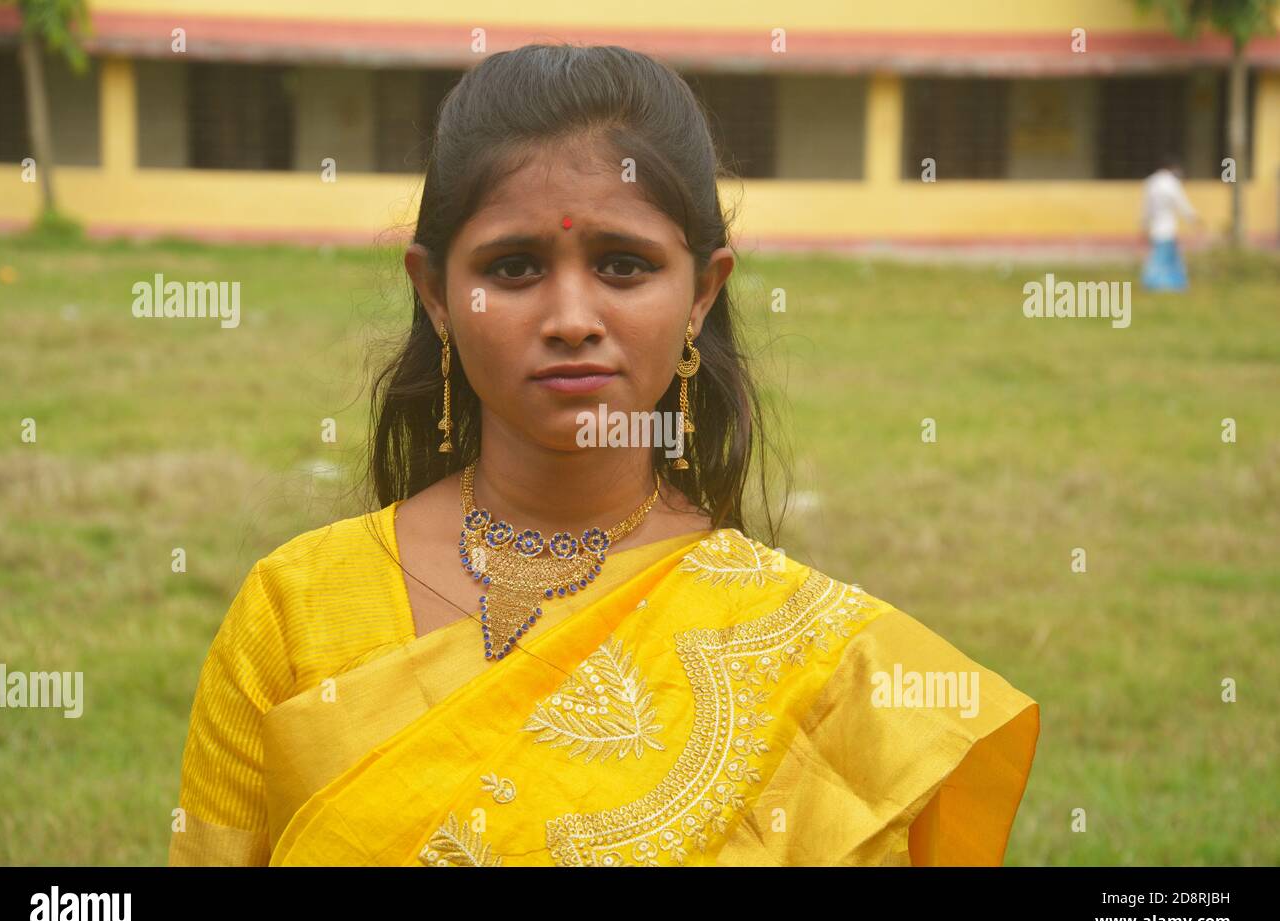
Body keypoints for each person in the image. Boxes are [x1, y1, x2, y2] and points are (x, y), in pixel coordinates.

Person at [168, 44, 1039, 867]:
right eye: (513, 268)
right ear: (436, 293)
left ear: (702, 293)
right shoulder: (293, 610)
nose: (572, 317)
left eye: (624, 266)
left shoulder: (822, 665)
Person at [1140, 154, 1199, 291]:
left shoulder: (1151, 183)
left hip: (1156, 227)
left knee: (1170, 257)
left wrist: (1143, 225)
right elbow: (1181, 203)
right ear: (1171, 168)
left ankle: (1177, 284)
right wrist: (1193, 218)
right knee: (1161, 258)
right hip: (1167, 227)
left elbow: (1146, 208)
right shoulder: (1171, 183)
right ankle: (1153, 283)